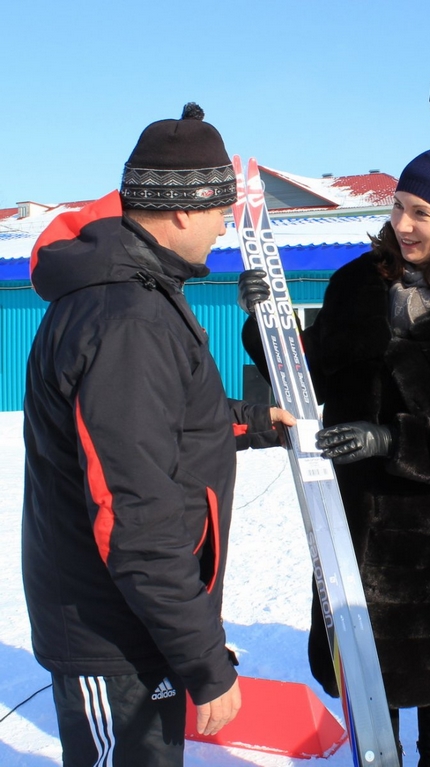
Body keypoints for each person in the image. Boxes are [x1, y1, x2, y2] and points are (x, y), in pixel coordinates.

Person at [240, 147, 430, 765]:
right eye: (398, 206)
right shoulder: (355, 287)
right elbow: (305, 379)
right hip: (350, 529)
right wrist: (264, 320)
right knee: (364, 686)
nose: (402, 224)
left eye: (421, 213)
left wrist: (391, 440)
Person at [21, 103, 296, 767]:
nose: (226, 224)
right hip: (109, 632)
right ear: (180, 209)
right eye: (219, 209)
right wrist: (204, 659)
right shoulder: (127, 320)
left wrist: (259, 421)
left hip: (137, 622)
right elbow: (133, 515)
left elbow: (168, 417)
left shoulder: (141, 293)